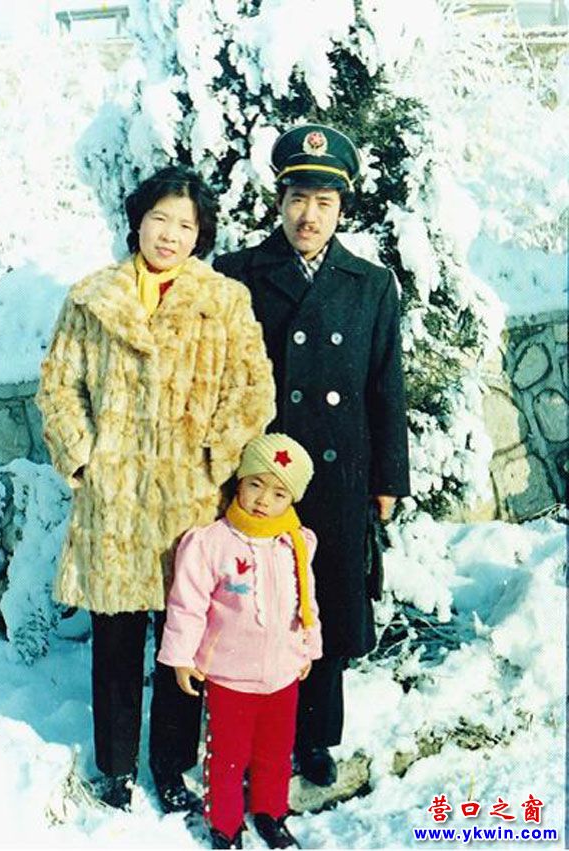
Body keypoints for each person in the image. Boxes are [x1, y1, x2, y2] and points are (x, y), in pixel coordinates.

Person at [36, 165, 275, 812]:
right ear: (137, 222)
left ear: (201, 236)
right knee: (115, 641)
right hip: (113, 501)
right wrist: (83, 458)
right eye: (159, 219)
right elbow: (58, 385)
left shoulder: (223, 301)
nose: (169, 235)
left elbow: (252, 390)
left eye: (185, 225)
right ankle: (115, 769)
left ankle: (172, 767)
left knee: (185, 637)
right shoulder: (92, 299)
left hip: (187, 503)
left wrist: (213, 460)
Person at [213, 124, 411, 787]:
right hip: (261, 475)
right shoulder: (238, 275)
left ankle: (316, 737)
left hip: (340, 471)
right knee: (255, 605)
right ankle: (250, 734)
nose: (309, 215)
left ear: (341, 209)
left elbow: (386, 385)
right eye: (298, 198)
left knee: (322, 599)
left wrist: (387, 478)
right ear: (279, 201)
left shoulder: (370, 284)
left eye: (324, 203)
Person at [157, 433, 321, 849]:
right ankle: (225, 825)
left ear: (292, 499)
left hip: (283, 672)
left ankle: (271, 812)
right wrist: (181, 657)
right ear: (240, 482)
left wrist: (308, 647)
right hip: (229, 676)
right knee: (227, 758)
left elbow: (307, 600)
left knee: (275, 752)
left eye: (279, 493)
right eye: (255, 485)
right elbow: (187, 604)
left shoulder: (296, 543)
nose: (264, 500)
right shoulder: (211, 543)